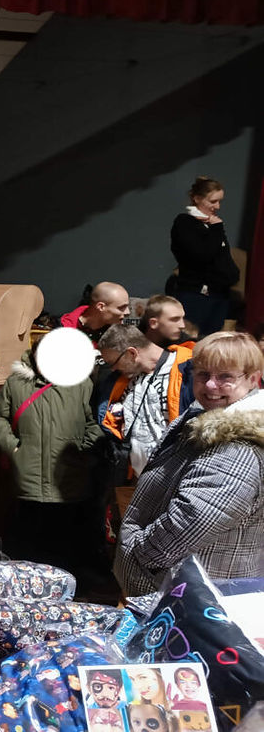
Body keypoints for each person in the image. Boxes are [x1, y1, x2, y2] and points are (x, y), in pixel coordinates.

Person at [115, 331, 264, 597]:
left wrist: (138, 551)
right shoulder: (203, 418)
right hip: (182, 585)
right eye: (203, 374)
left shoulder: (236, 445)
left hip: (191, 595)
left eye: (225, 376)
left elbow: (193, 519)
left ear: (253, 379)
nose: (211, 385)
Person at [0, 342, 103, 580]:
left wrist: (83, 450)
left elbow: (97, 423)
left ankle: (64, 586)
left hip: (68, 476)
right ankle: (30, 586)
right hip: (29, 474)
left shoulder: (82, 384)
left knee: (65, 538)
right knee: (29, 536)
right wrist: (13, 447)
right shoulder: (17, 383)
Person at [96, 324, 194, 475]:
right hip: (136, 477)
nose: (113, 369)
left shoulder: (189, 370)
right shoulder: (120, 380)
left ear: (132, 353)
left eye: (113, 363)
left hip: (176, 475)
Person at [169, 176, 240, 336]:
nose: (217, 206)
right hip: (196, 295)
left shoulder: (212, 224)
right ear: (197, 199)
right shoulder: (185, 222)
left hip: (219, 294)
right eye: (213, 201)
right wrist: (216, 229)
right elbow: (202, 255)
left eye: (220, 201)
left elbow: (223, 257)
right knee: (189, 339)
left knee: (210, 342)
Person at [60, 282, 130, 343]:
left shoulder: (121, 327)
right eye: (121, 308)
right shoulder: (62, 332)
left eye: (127, 306)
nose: (128, 312)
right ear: (101, 307)